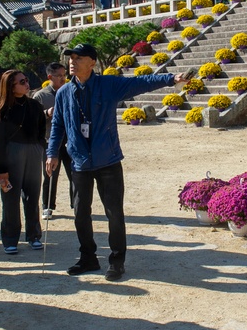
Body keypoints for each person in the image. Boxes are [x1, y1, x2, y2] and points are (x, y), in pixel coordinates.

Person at [46, 44, 188, 281]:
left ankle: (117, 260)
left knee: (114, 213)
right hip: (79, 162)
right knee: (80, 213)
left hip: (108, 160)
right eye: (70, 58)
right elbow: (58, 126)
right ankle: (88, 258)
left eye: (78, 58)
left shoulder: (108, 85)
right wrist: (52, 153)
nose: (72, 61)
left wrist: (172, 78)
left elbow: (141, 83)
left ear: (92, 62)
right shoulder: (63, 93)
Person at [0, 70, 47, 255]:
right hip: (11, 152)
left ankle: (34, 235)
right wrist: (1, 169)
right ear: (11, 87)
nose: (26, 84)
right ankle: (10, 238)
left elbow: (41, 131)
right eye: (22, 81)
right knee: (10, 198)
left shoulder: (35, 106)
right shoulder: (1, 110)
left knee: (33, 195)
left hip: (33, 150)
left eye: (26, 80)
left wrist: (42, 150)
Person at [33, 62, 74, 220]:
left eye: (65, 75)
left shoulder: (71, 92)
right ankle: (47, 206)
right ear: (50, 77)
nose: (63, 78)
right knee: (50, 174)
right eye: (59, 76)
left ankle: (75, 204)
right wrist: (47, 113)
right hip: (50, 140)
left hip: (70, 139)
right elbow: (33, 118)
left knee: (75, 173)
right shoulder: (41, 96)